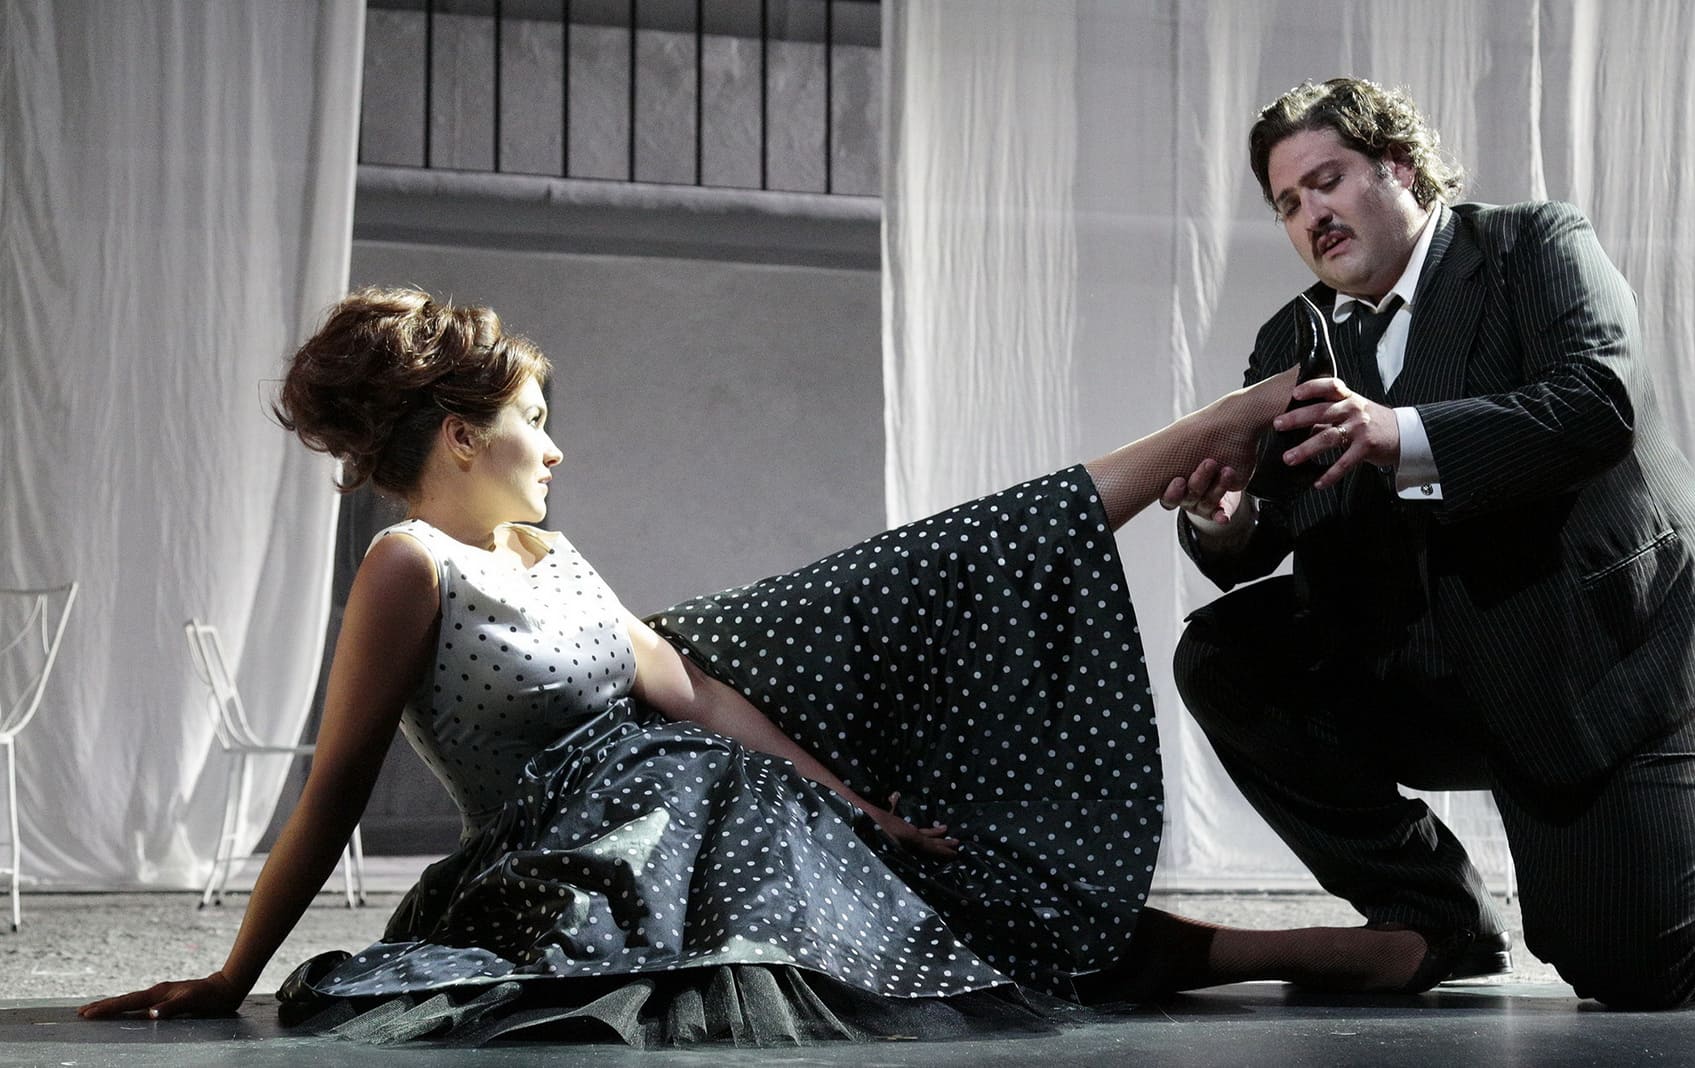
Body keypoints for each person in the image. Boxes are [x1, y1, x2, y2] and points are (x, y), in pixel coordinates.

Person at [80, 287, 1428, 1046]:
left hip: (705, 800)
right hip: (580, 858)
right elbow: (333, 788)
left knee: (925, 852)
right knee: (877, 913)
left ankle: (1328, 951)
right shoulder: (409, 565)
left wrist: (854, 804)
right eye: (535, 421)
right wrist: (234, 974)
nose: (556, 448)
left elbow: (693, 693)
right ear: (458, 437)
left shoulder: (554, 552)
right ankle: (1312, 947)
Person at [1165, 77, 1695, 1010]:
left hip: (1605, 646)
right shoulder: (1291, 341)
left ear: (1400, 166)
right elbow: (1263, 530)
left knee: (1640, 964)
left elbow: (1598, 403)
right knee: (1224, 656)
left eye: (1327, 180)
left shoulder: (1534, 246)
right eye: (1286, 203)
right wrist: (1223, 514)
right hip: (1433, 664)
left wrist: (1399, 432)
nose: (1310, 215)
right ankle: (1431, 913)